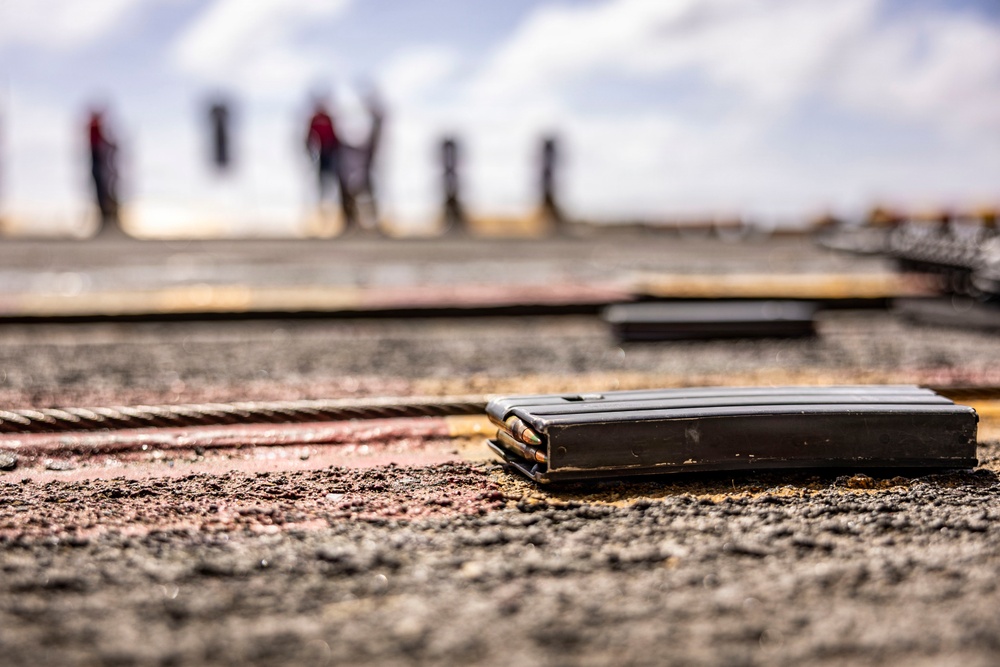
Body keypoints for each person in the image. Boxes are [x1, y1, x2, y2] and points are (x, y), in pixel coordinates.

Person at [305, 97, 353, 224]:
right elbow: (308, 137)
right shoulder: (314, 119)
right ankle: (321, 218)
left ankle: (346, 217)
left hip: (334, 154)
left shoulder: (328, 118)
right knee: (321, 185)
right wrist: (310, 153)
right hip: (323, 155)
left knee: (339, 184)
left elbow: (336, 136)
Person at [87, 108, 120, 233]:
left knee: (105, 192)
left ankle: (109, 221)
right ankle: (105, 221)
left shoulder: (97, 127)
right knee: (101, 192)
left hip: (102, 165)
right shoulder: (94, 125)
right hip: (98, 164)